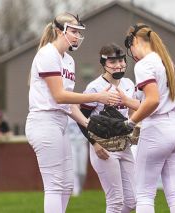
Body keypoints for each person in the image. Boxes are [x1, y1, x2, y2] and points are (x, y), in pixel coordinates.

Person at [25, 13, 120, 213]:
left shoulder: (68, 60)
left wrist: (90, 126)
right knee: (55, 185)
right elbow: (60, 96)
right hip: (43, 121)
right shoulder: (47, 54)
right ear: (60, 31)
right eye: (74, 31)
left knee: (67, 185)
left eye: (79, 32)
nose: (77, 36)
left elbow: (69, 105)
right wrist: (97, 98)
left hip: (60, 122)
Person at [120, 23, 175, 213]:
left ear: (134, 41)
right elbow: (158, 101)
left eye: (130, 47)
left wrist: (130, 122)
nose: (131, 52)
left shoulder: (145, 64)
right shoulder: (167, 62)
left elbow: (152, 102)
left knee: (144, 195)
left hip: (158, 129)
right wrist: (127, 101)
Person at [78, 43, 136, 213]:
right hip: (104, 146)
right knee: (115, 201)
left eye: (121, 61)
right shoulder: (95, 87)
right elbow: (82, 119)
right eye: (113, 62)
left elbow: (130, 113)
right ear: (103, 63)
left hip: (124, 144)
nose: (118, 65)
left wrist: (134, 126)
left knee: (132, 201)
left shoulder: (128, 83)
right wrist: (94, 143)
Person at [66, 117, 88, 196]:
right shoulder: (67, 115)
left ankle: (80, 188)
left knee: (82, 171)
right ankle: (75, 189)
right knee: (74, 168)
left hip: (82, 143)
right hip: (71, 143)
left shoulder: (83, 113)